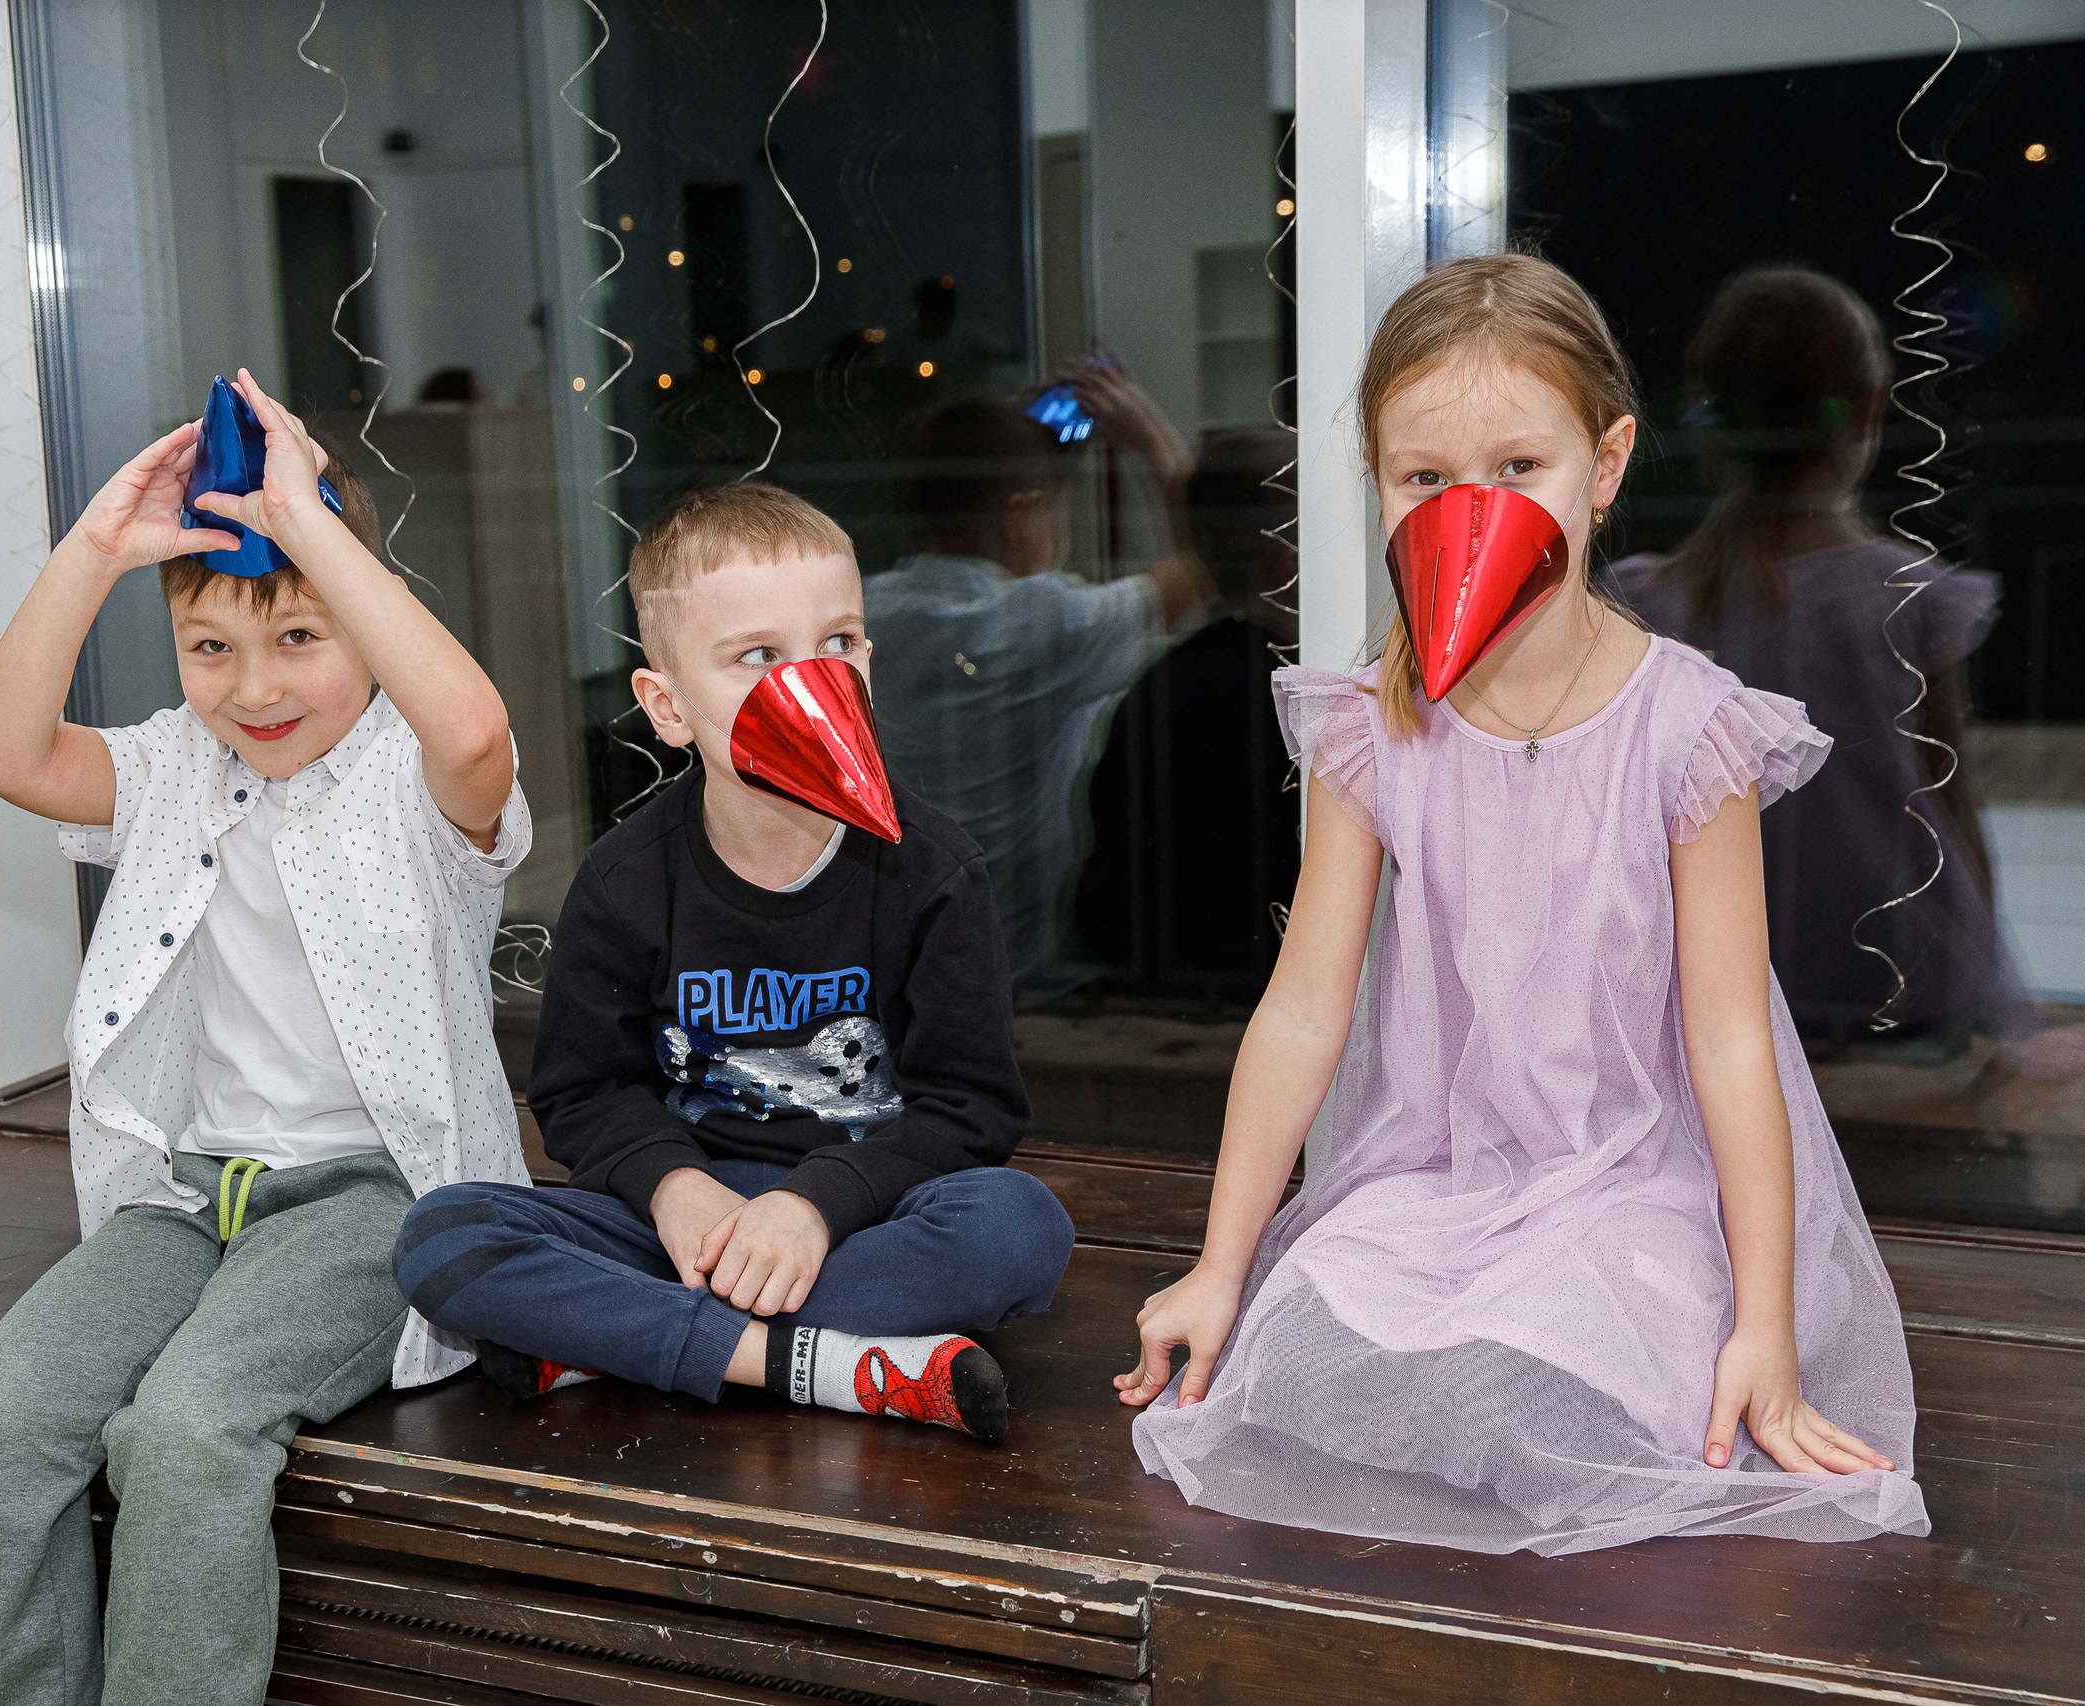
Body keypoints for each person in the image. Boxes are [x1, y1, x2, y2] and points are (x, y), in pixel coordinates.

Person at [1119, 255, 1930, 1554]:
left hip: (1631, 1174)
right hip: (1441, 1174)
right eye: (1424, 478)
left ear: (1603, 467)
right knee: (1313, 1322)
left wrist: (1764, 1324)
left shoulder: (1689, 731)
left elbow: (1731, 1042)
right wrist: (1224, 1261)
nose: (1469, 508)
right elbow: (1304, 1005)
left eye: (1519, 468)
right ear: (1376, 483)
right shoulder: (1368, 724)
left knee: (1580, 1342)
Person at [0, 369, 532, 1705]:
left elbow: (475, 723)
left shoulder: (419, 783)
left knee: (186, 1434)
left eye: (301, 635)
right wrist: (94, 551)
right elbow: (1, 750)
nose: (254, 685)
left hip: (374, 1201)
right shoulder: (174, 769)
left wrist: (311, 527)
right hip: (187, 1197)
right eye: (210, 648)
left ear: (362, 621)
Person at [394, 481, 1072, 1445]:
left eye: (839, 643)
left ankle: (623, 1342)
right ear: (666, 707)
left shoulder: (929, 869)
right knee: (444, 1236)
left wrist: (815, 1204)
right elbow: (583, 1094)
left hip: (863, 1214)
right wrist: (677, 1191)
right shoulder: (628, 877)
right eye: (759, 655)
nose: (812, 679)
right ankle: (832, 1366)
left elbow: (972, 1108)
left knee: (1020, 1229)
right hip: (683, 1226)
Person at [1614, 266, 2036, 1057]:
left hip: (1709, 992)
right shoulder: (1907, 600)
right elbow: (1951, 806)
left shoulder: (1652, 607)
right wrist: (1989, 990)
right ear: (1865, 412)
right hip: (1893, 987)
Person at [864, 364, 1215, 1004]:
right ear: (1020, 513)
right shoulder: (1039, 627)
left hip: (886, 980)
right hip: (1019, 985)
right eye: (1058, 502)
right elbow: (1208, 565)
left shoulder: (859, 618)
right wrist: (1154, 441)